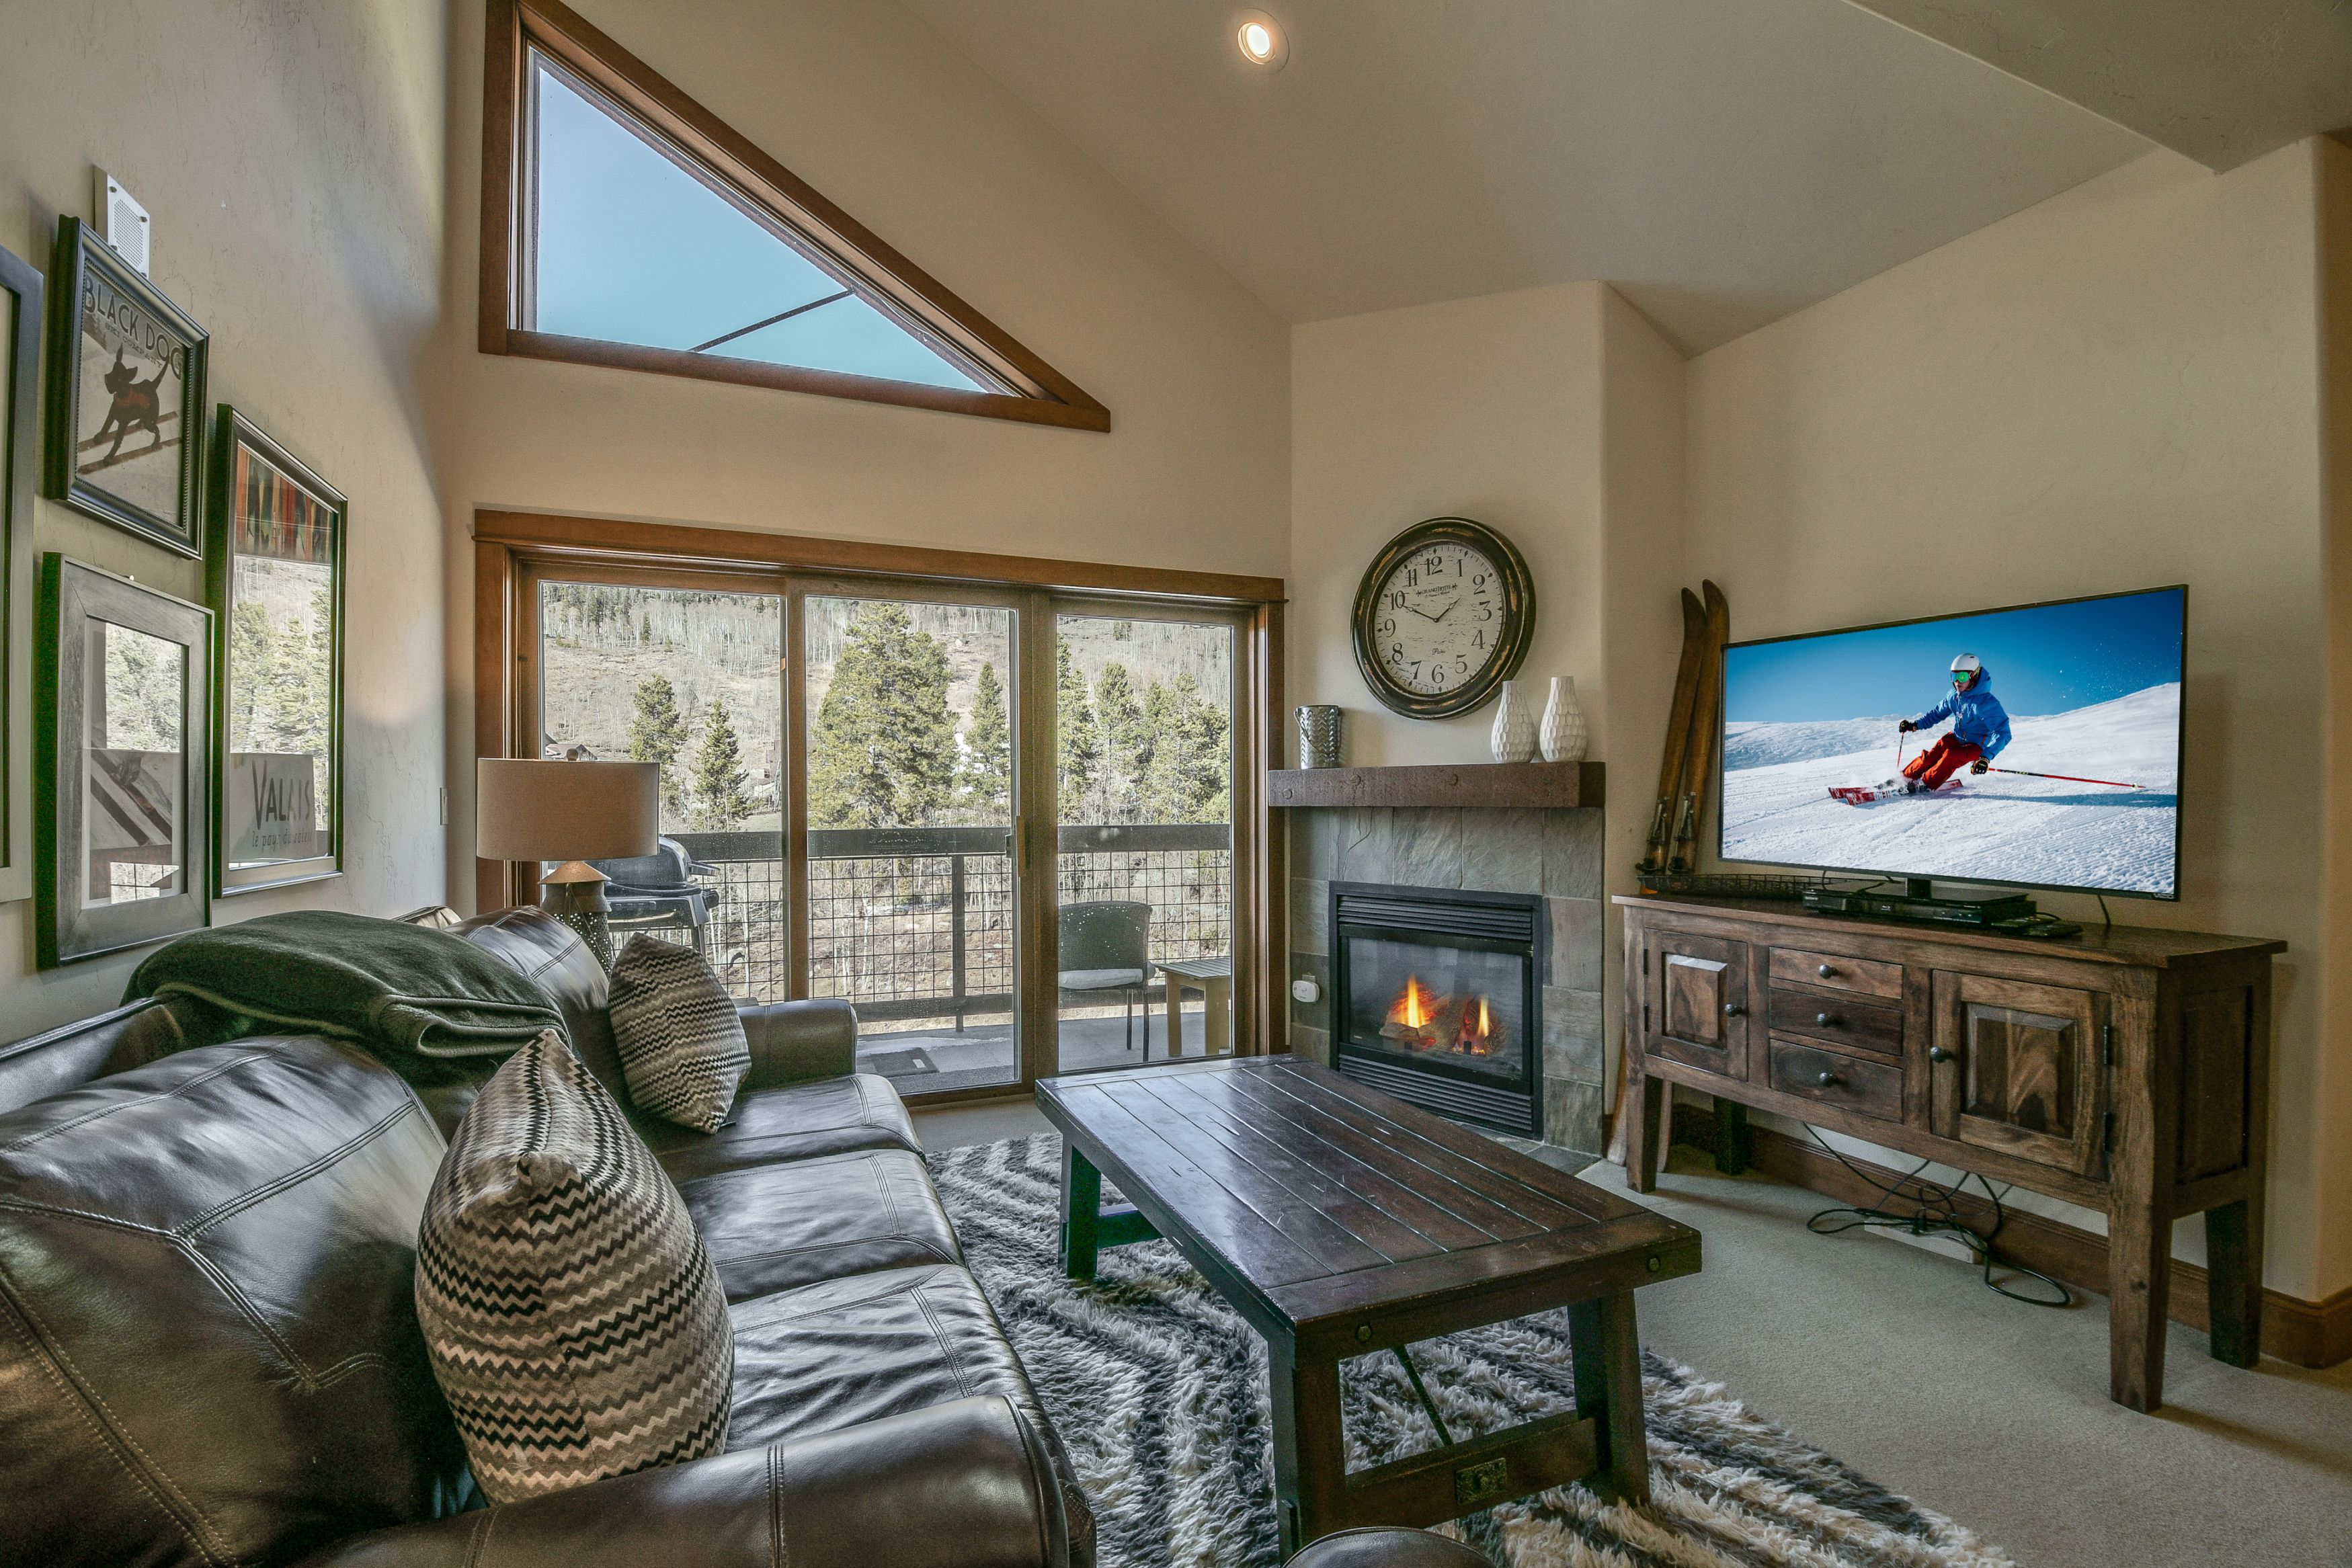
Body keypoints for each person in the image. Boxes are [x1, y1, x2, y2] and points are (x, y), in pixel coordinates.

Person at [1898, 653, 2011, 793]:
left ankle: (1925, 784)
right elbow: (1937, 714)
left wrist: (1985, 758)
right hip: (1956, 737)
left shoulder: (1986, 703)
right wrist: (1915, 725)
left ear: (1973, 675)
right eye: (1954, 676)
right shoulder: (1953, 696)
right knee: (1931, 757)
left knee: (1951, 756)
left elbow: (2003, 733)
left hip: (1976, 746)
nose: (1957, 682)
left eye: (1962, 677)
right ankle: (1903, 779)